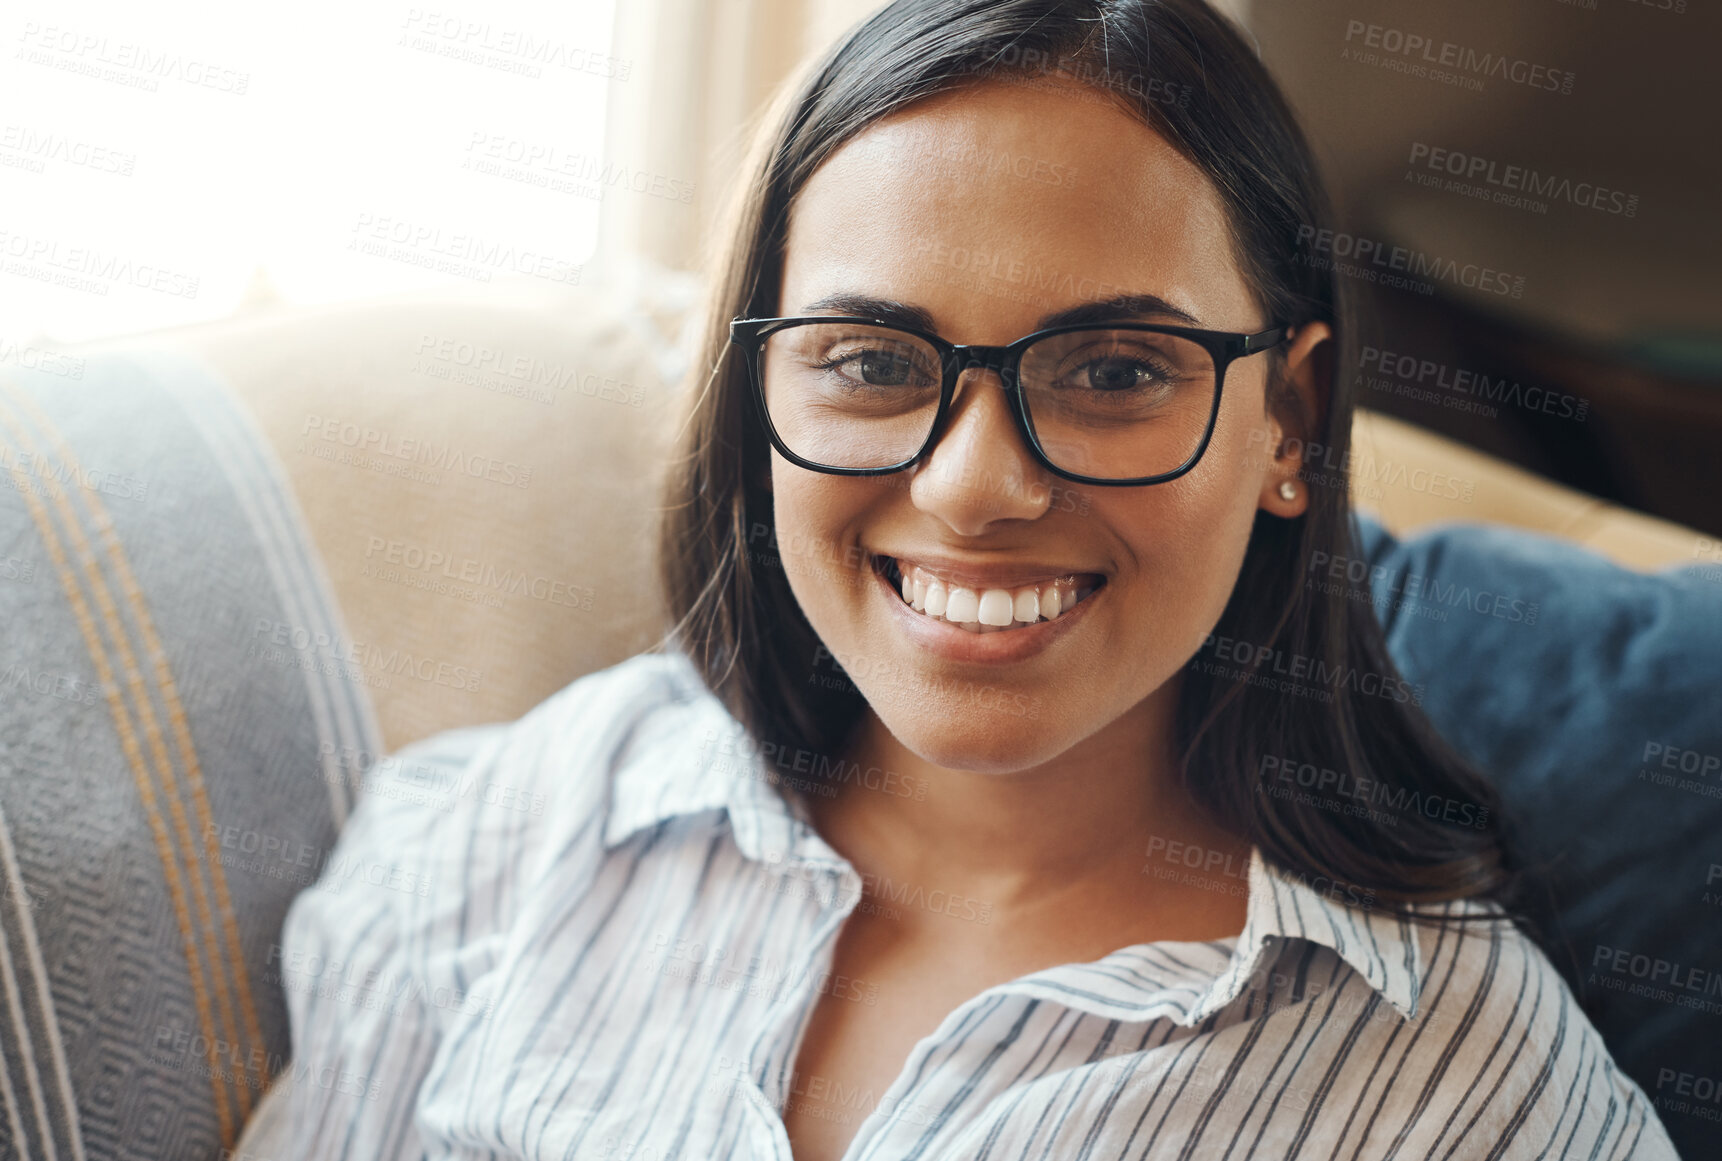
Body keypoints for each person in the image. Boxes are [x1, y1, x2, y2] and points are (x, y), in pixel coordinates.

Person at [238, 0, 1680, 1157]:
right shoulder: (518, 830)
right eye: (870, 363)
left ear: (1286, 426)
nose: (975, 486)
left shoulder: (1470, 1095)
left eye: (1115, 369)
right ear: (755, 397)